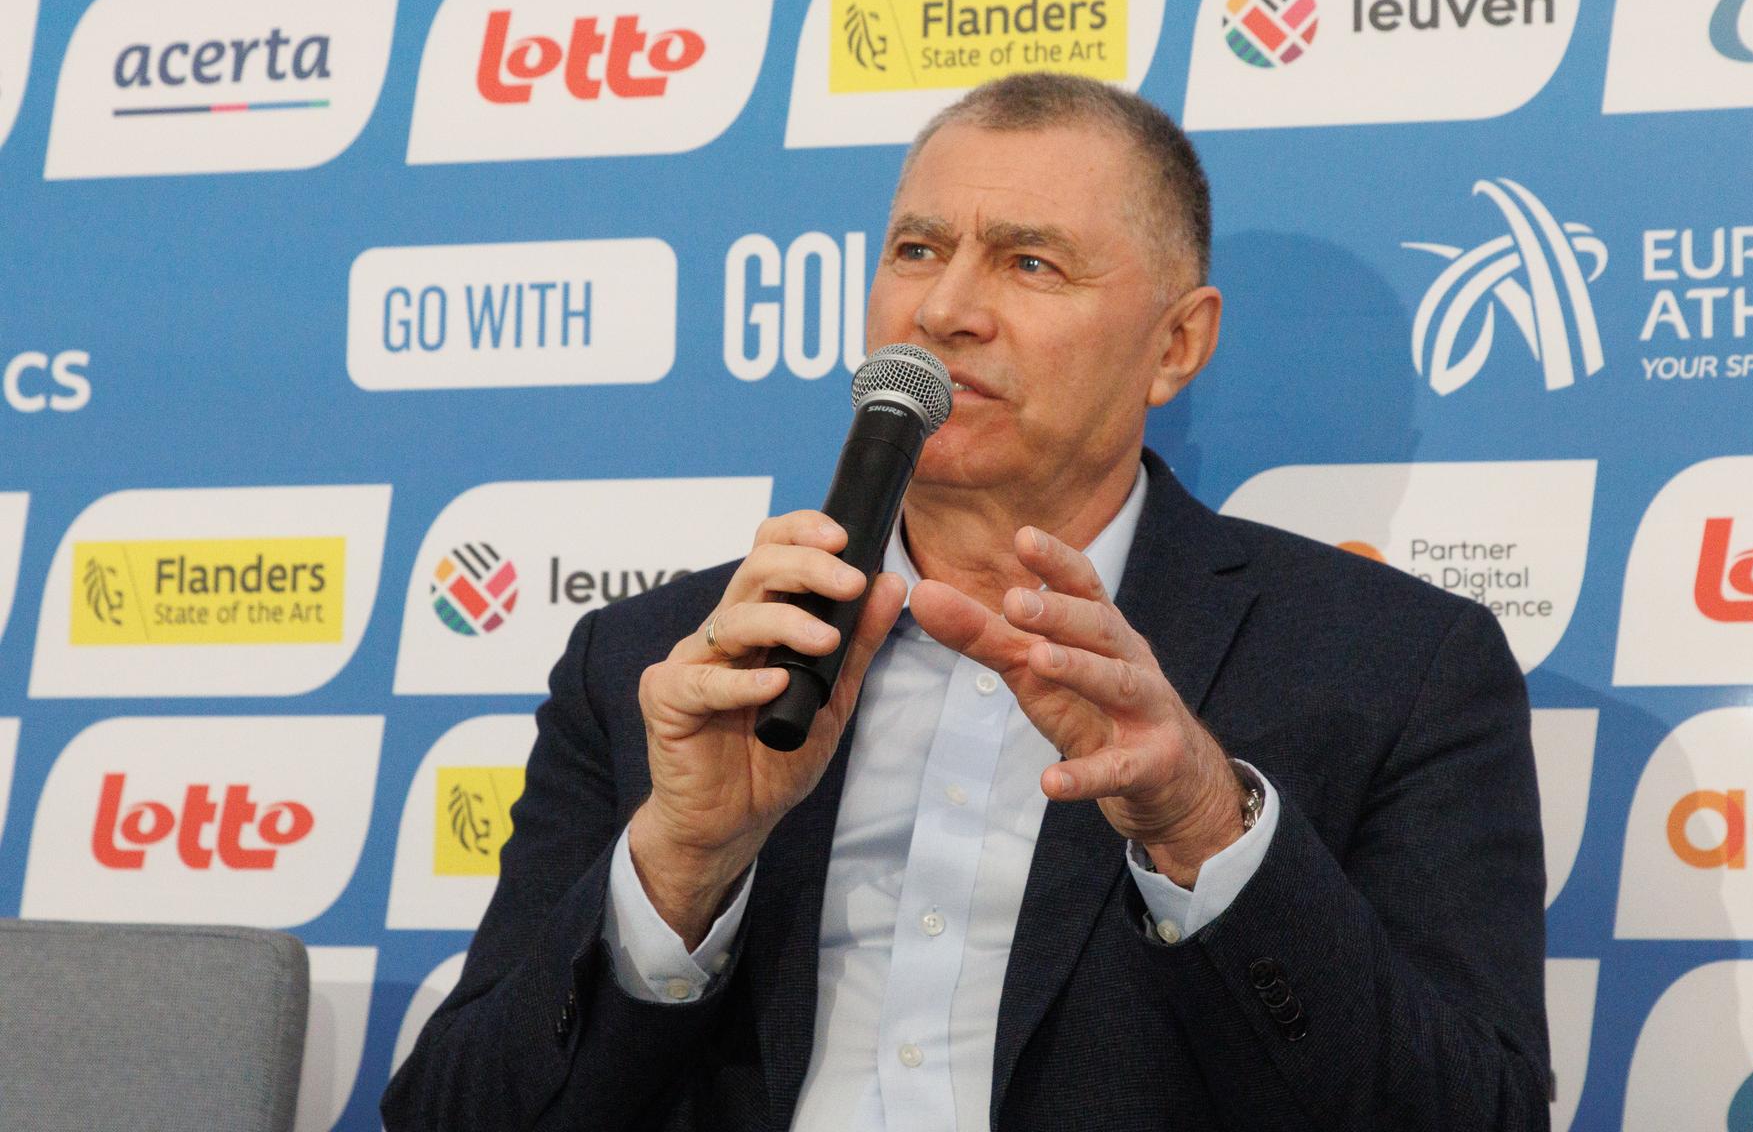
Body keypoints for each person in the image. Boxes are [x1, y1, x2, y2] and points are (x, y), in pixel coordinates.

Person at [382, 73, 1550, 1131]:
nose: (945, 310)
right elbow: (449, 1114)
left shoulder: (1391, 666)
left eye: (1030, 262)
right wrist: (682, 864)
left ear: (1176, 344)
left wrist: (1205, 825)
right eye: (917, 249)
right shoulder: (663, 664)